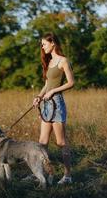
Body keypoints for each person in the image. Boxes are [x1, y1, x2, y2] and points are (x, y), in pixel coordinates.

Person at [32, 32, 75, 184]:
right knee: (42, 142)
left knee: (61, 142)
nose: (42, 47)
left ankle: (68, 176)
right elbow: (47, 84)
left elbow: (71, 82)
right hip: (46, 105)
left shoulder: (63, 61)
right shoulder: (49, 62)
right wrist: (39, 96)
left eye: (44, 44)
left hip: (57, 104)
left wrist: (53, 91)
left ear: (53, 43)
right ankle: (40, 172)